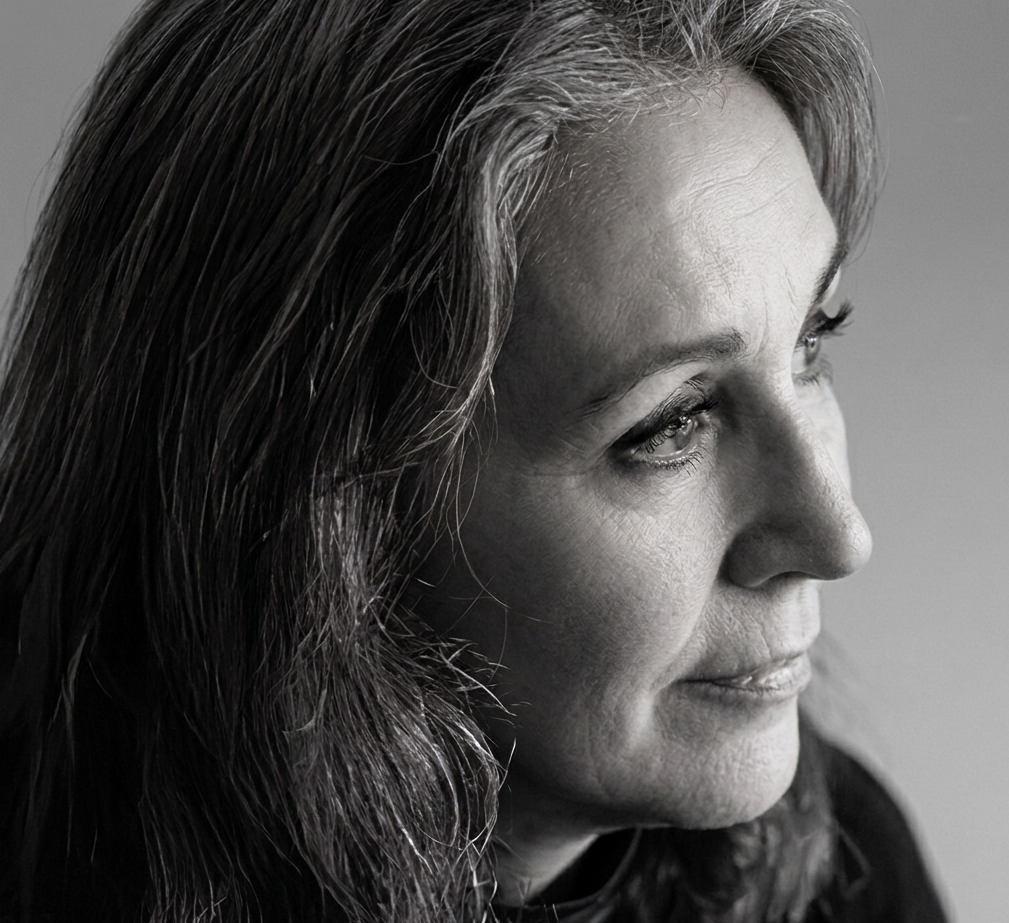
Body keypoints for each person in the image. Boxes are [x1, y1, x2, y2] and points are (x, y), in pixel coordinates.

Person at [0, 0, 948, 920]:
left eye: (811, 342)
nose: (837, 536)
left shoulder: (839, 874)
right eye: (672, 421)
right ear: (319, 505)